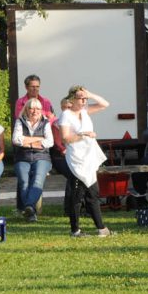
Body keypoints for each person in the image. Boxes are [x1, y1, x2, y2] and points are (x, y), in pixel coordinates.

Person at [59, 85, 112, 237]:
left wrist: (90, 94)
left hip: (89, 158)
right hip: (76, 159)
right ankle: (75, 230)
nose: (83, 101)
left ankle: (102, 229)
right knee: (77, 195)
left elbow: (105, 104)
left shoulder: (85, 111)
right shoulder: (66, 115)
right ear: (72, 99)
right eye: (80, 98)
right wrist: (84, 135)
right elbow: (65, 139)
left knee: (93, 194)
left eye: (85, 98)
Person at [13, 98, 54, 222]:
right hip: (23, 157)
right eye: (31, 108)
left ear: (41, 110)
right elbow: (16, 140)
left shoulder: (45, 123)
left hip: (42, 157)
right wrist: (37, 140)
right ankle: (30, 212)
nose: (34, 111)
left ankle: (28, 207)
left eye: (38, 108)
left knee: (37, 181)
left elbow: (49, 142)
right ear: (26, 109)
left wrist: (26, 140)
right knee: (23, 182)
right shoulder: (20, 121)